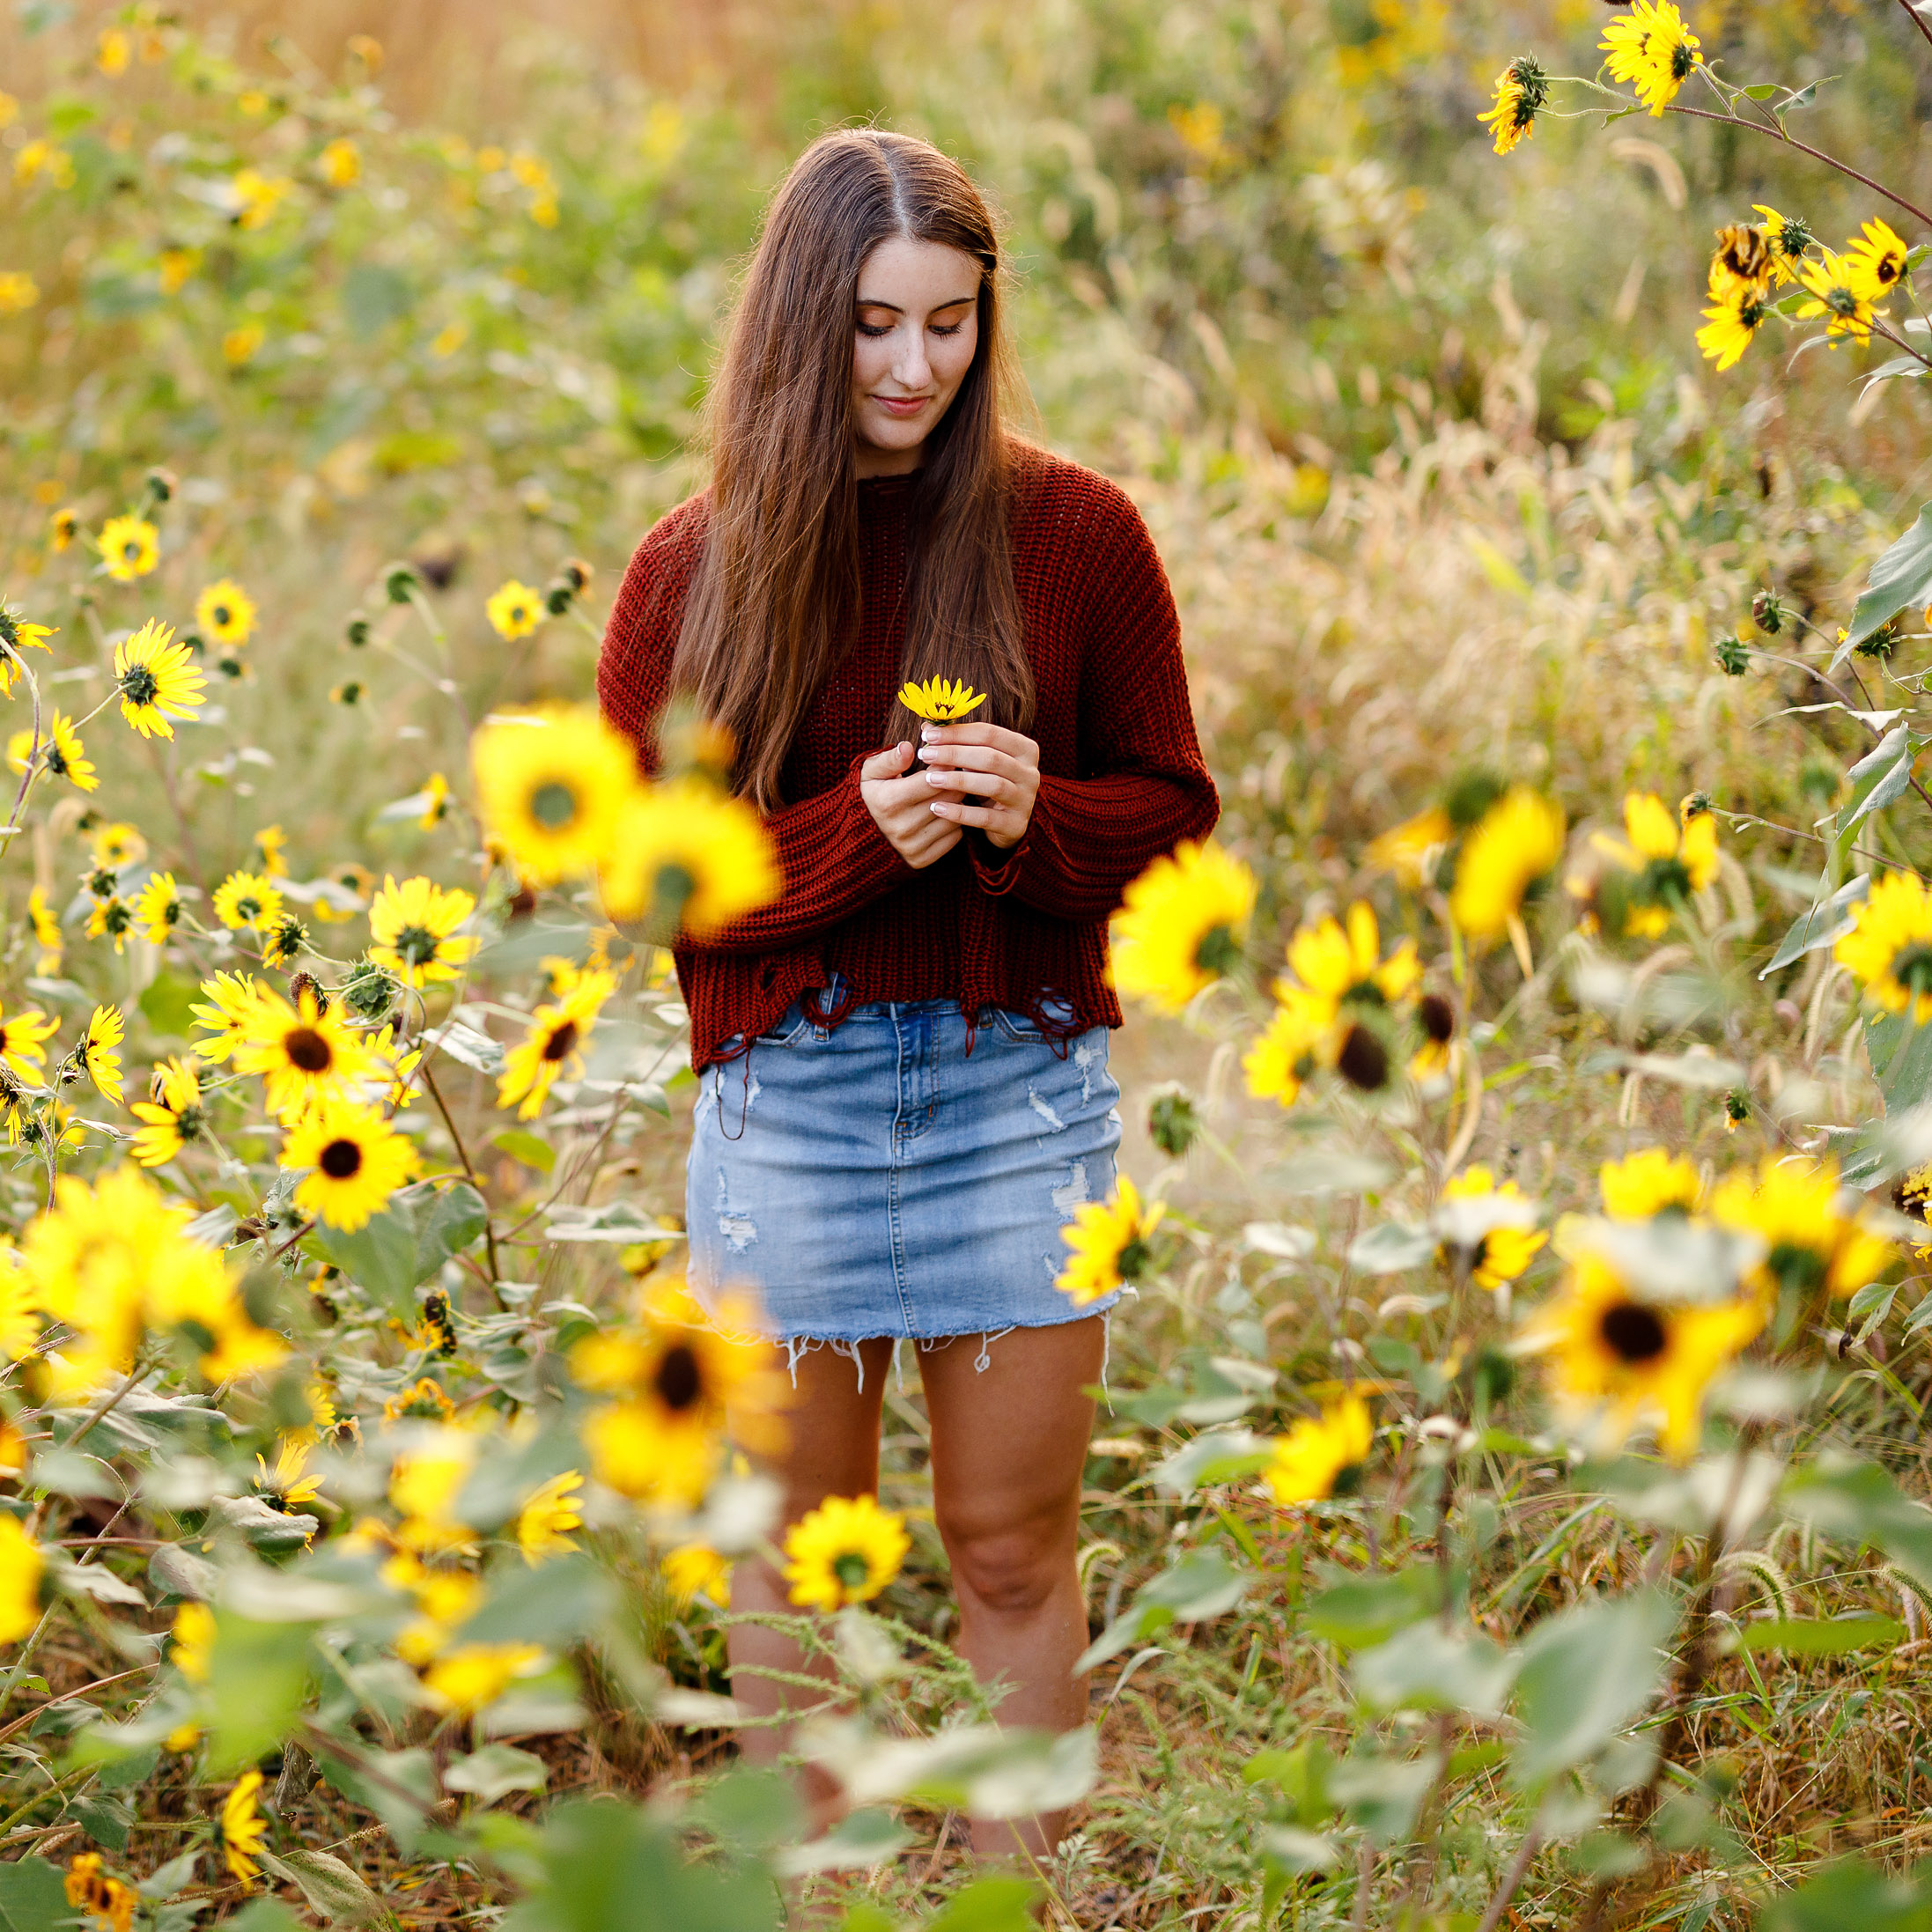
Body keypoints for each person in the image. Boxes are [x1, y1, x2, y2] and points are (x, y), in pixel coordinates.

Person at [596, 127, 1218, 1863]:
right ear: (800, 327)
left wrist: (1035, 822)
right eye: (873, 325)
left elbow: (1172, 818)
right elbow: (660, 883)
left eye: (948, 324)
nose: (912, 367)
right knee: (793, 1560)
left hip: (1013, 1097)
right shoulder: (691, 573)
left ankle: (1022, 1900)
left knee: (1009, 1544)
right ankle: (817, 1908)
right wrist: (852, 839)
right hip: (782, 1105)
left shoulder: (1076, 538)